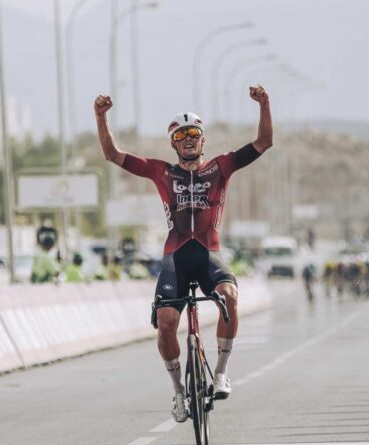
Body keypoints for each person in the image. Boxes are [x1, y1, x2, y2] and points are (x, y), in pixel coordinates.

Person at [94, 84, 272, 422]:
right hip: (175, 260)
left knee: (230, 297)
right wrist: (100, 117)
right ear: (173, 143)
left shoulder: (220, 167)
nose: (188, 138)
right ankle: (178, 393)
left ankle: (221, 373)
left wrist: (264, 104)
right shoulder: (162, 172)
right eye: (181, 134)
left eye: (194, 133)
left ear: (203, 140)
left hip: (209, 256)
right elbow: (113, 155)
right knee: (166, 323)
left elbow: (263, 143)